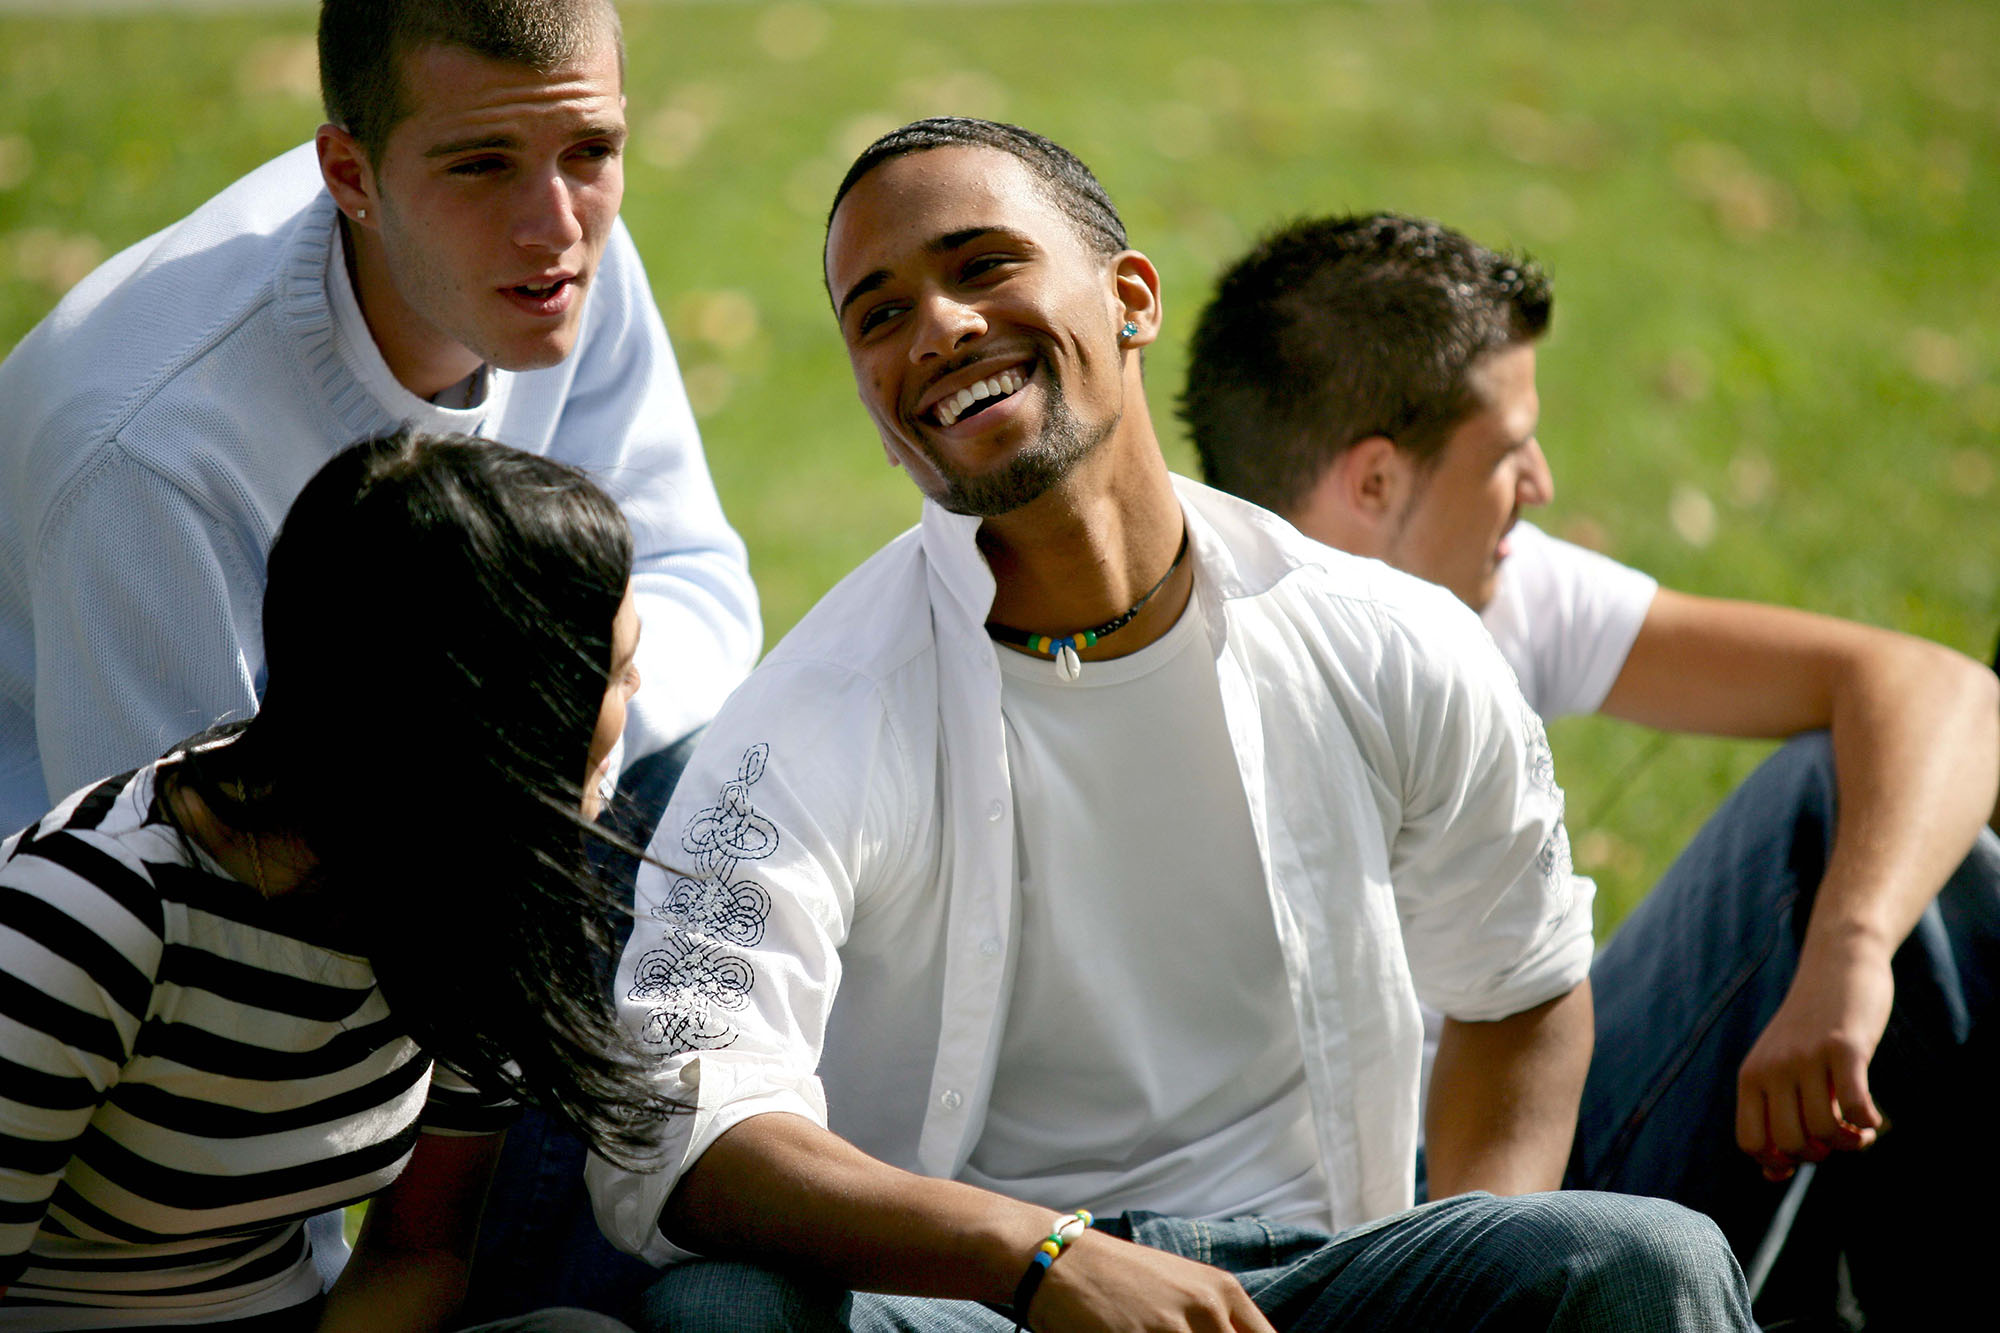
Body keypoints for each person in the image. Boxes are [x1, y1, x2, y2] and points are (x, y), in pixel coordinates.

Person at [586, 119, 1755, 1333]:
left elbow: (1516, 987)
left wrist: (1476, 1240)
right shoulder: (804, 724)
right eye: (877, 316)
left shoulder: (1391, 642)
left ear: (1130, 297)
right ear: (879, 409)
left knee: (1639, 1257)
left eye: (982, 265)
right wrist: (1038, 1257)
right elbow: (681, 1119)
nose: (934, 326)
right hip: (974, 1303)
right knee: (721, 1313)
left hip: (1322, 1282)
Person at [1180, 211, 2000, 1325]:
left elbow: (1931, 689)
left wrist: (1846, 950)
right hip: (1319, 1253)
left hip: (1532, 1146)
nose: (1541, 481)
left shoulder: (1492, 583)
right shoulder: (1181, 676)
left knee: (1873, 826)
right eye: (1507, 447)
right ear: (1371, 484)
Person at [0, 0, 759, 839]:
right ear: (352, 176)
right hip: (111, 911)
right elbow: (184, 876)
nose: (557, 226)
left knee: (736, 800)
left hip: (435, 822)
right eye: (481, 165)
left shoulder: (556, 266)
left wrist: (558, 734)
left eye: (592, 151)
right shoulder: (153, 453)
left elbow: (693, 577)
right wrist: (501, 754)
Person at [0, 431, 653, 1332]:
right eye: (614, 674)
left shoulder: (484, 890)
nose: (637, 698)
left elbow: (416, 1255)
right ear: (493, 716)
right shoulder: (92, 916)